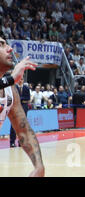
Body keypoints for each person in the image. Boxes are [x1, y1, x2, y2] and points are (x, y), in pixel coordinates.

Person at [0, 35, 44, 176]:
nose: (10, 48)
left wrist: (39, 166)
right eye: (1, 45)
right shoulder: (9, 82)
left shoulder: (10, 90)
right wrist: (11, 78)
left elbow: (24, 131)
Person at [10, 77, 30, 147]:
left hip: (24, 108)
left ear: (23, 80)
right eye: (19, 79)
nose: (20, 80)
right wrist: (21, 100)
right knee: (13, 126)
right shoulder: (14, 87)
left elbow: (28, 98)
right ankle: (12, 142)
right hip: (15, 108)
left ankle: (21, 142)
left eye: (22, 79)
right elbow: (13, 97)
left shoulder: (26, 88)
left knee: (22, 126)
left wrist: (19, 99)